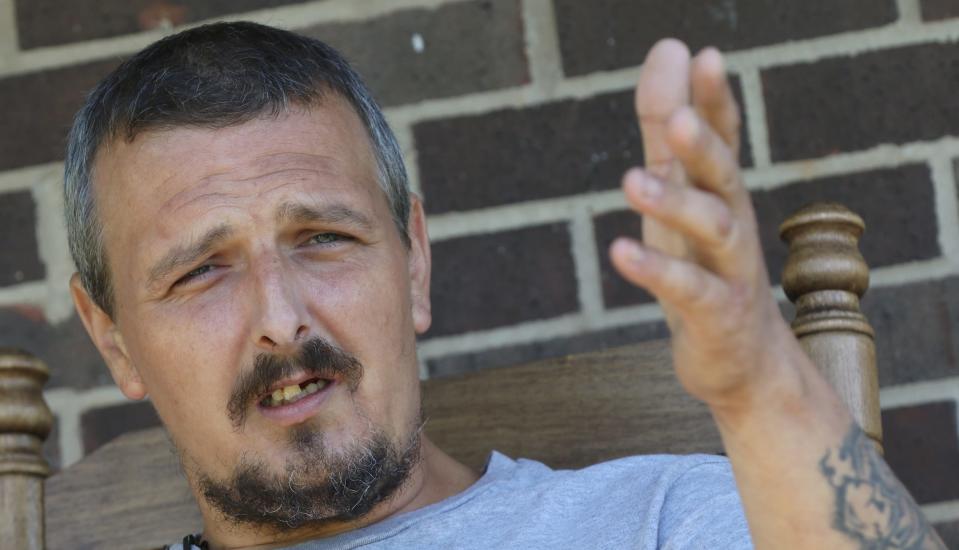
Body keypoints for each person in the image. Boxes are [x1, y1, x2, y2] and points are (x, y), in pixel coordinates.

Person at [63, 22, 944, 549]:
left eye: (324, 237)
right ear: (112, 339)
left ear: (413, 260)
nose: (282, 318)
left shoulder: (663, 521)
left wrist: (760, 386)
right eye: (202, 270)